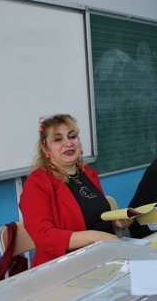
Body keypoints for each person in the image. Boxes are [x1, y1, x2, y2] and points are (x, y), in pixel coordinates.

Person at [20, 114, 132, 266]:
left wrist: (115, 222)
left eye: (72, 136)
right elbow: (43, 237)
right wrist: (94, 237)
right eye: (58, 139)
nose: (68, 143)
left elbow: (92, 216)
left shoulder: (88, 173)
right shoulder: (37, 183)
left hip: (105, 257)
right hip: (65, 267)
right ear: (45, 147)